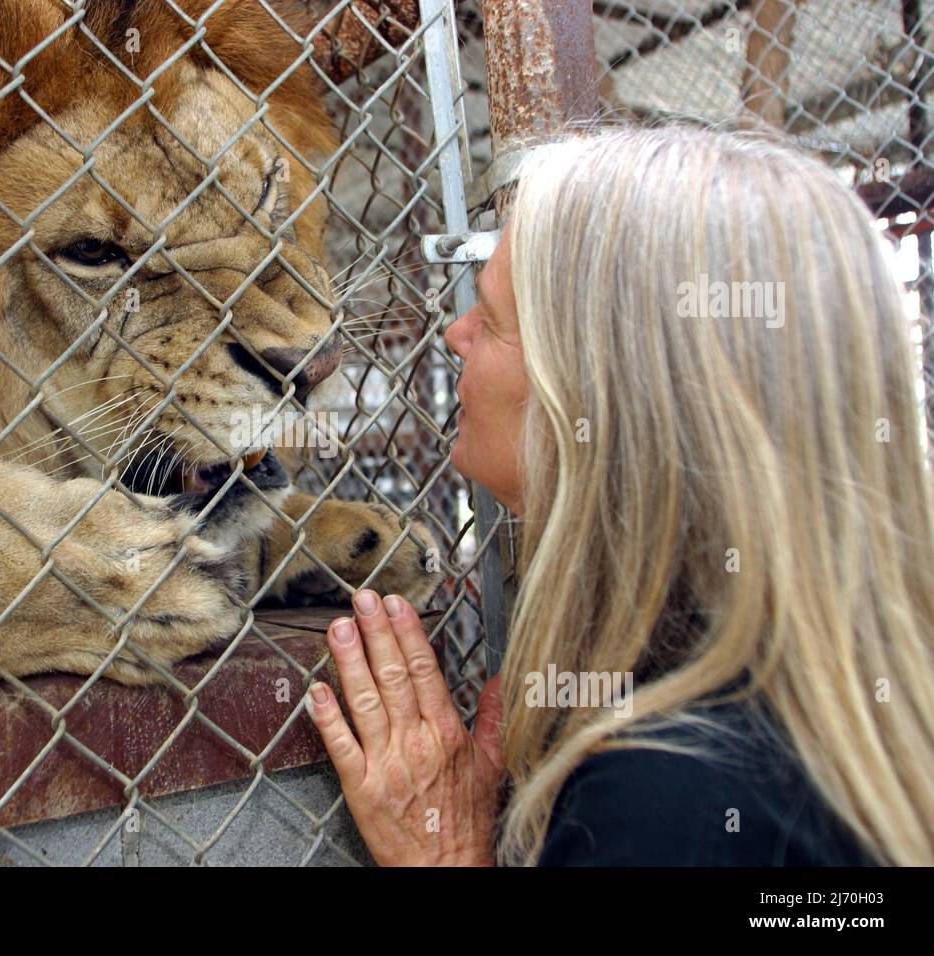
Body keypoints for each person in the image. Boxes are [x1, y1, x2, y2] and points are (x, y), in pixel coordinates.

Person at [304, 125, 934, 866]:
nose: (453, 333)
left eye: (494, 320)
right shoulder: (837, 701)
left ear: (605, 397)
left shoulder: (666, 806)